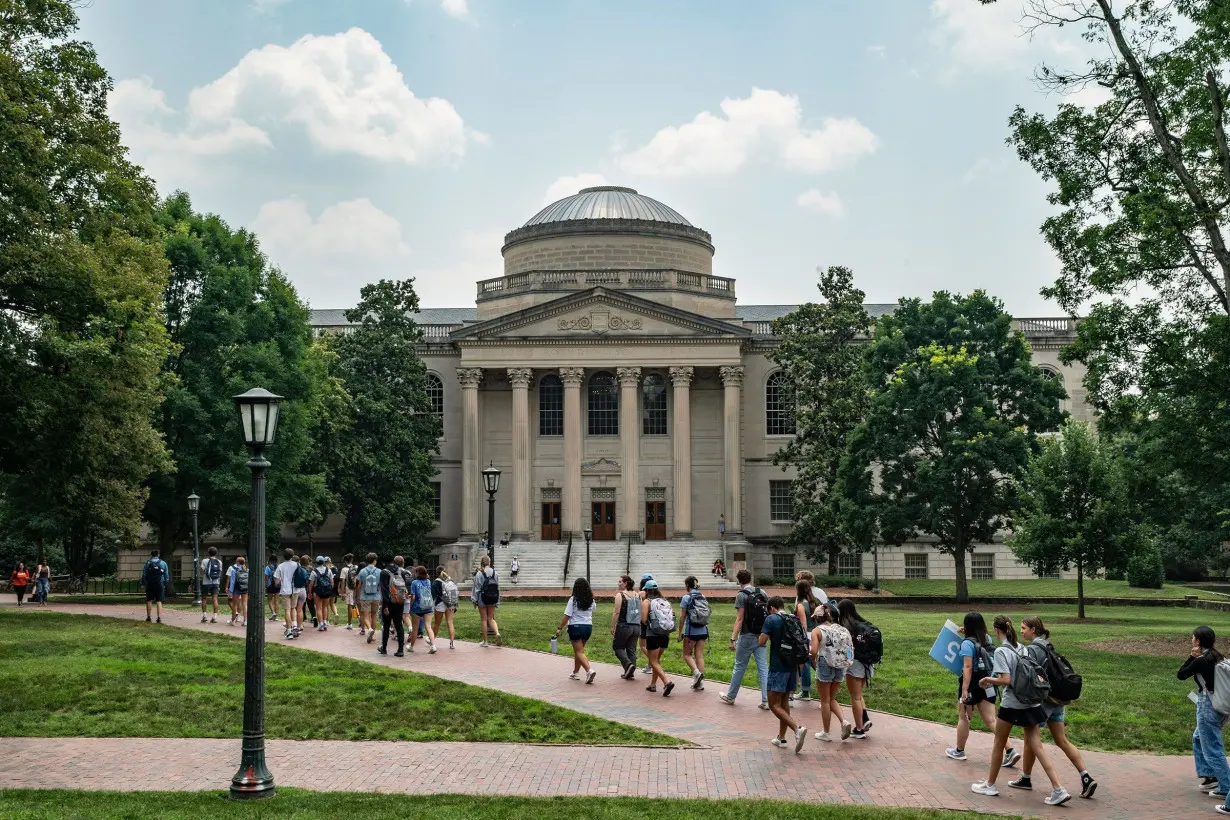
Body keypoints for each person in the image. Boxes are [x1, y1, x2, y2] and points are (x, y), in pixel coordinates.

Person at [970, 615, 1070, 806]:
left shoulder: (1001, 651)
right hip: (1030, 703)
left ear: (997, 630)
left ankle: (990, 785)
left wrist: (987, 680)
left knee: (998, 744)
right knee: (1037, 746)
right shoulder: (1022, 648)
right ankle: (1058, 789)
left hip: (1012, 704)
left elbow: (1006, 680)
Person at [1010, 616, 1097, 799]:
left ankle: (1027, 779)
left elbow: (1029, 675)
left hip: (1044, 701)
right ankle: (1086, 777)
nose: (1022, 631)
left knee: (1030, 739)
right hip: (1058, 700)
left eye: (1024, 628)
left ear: (1033, 629)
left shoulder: (1033, 649)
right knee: (1062, 740)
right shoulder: (1047, 645)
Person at [946, 611, 1020, 769]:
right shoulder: (987, 639)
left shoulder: (967, 644)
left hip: (972, 685)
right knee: (991, 721)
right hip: (988, 683)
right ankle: (1010, 750)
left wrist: (964, 690)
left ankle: (959, 751)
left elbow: (967, 667)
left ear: (967, 627)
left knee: (964, 717)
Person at [1180, 625, 1230, 813]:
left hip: (1208, 706)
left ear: (1198, 641)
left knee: (1212, 748)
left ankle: (1226, 786)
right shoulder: (1219, 656)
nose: (1191, 640)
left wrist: (1191, 657)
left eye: (1193, 638)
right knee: (1198, 738)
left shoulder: (1201, 660)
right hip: (1222, 706)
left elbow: (1181, 674)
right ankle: (1210, 776)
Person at [760, 596, 807, 753]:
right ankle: (781, 737)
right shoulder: (793, 618)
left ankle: (797, 729)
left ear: (772, 608)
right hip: (792, 666)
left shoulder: (771, 619)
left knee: (773, 704)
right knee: (785, 702)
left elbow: (761, 642)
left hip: (778, 666)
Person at [719, 569, 770, 710]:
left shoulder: (741, 595)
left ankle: (731, 696)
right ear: (750, 578)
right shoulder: (762, 592)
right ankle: (766, 700)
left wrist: (732, 638)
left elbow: (740, 619)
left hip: (747, 635)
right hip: (761, 635)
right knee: (763, 668)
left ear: (738, 581)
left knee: (739, 666)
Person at [810, 603, 853, 741]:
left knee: (825, 701)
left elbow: (814, 651)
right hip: (840, 665)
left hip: (824, 664)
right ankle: (843, 722)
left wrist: (812, 659)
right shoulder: (840, 628)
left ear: (817, 617)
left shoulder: (817, 631)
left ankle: (826, 732)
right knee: (831, 698)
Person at [836, 598, 877, 738]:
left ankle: (859, 729)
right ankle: (864, 720)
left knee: (855, 697)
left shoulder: (847, 628)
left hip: (855, 665)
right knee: (858, 695)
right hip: (868, 664)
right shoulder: (864, 624)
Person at [555, 577, 597, 683]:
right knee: (579, 652)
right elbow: (594, 609)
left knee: (579, 651)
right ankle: (575, 672)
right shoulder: (591, 599)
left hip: (576, 627)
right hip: (588, 627)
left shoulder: (573, 599)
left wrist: (559, 628)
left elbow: (567, 615)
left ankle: (589, 670)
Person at [640, 580, 674, 696]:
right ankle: (653, 685)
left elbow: (644, 620)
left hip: (653, 634)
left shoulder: (647, 602)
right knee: (657, 661)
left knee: (653, 661)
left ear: (647, 590)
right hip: (665, 634)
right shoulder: (665, 601)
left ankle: (666, 681)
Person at [678, 575, 708, 690]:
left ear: (687, 585)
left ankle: (696, 673)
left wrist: (680, 632)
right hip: (703, 629)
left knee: (687, 654)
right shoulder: (702, 596)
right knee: (699, 655)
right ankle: (699, 684)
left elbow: (682, 617)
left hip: (691, 631)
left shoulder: (686, 597)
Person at [793, 579, 821, 701]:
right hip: (819, 633)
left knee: (805, 663)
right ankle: (825, 691)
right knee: (818, 663)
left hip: (807, 636)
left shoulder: (801, 606)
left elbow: (803, 625)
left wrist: (800, 640)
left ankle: (805, 691)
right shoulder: (816, 602)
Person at [378, 555, 408, 657]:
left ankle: (384, 648)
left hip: (389, 602)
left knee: (386, 625)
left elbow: (384, 590)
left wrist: (385, 606)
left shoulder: (384, 572)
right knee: (399, 624)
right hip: (400, 601)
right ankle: (400, 650)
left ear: (383, 563)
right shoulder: (401, 571)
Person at [611, 574, 641, 679]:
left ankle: (628, 665)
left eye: (620, 581)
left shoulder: (620, 595)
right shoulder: (638, 595)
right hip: (636, 627)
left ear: (626, 583)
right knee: (631, 649)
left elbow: (616, 613)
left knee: (618, 648)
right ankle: (630, 673)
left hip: (624, 626)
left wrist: (612, 626)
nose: (618, 583)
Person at [472, 555, 501, 647]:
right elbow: (497, 586)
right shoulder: (495, 573)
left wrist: (474, 600)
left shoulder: (479, 573)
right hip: (493, 597)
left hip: (482, 597)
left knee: (484, 619)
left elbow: (476, 588)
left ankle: (485, 642)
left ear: (481, 562)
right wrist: (497, 600)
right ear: (489, 562)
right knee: (491, 618)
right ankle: (497, 633)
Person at [408, 565, 438, 654]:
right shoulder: (428, 581)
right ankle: (433, 645)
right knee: (428, 626)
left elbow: (413, 597)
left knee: (415, 628)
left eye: (415, 572)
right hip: (428, 606)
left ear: (418, 573)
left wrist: (410, 606)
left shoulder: (414, 583)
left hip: (417, 608)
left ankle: (411, 646)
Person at [275, 549, 301, 639]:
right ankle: (294, 625)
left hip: (285, 590)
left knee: (287, 610)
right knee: (294, 608)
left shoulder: (280, 566)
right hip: (296, 589)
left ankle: (289, 631)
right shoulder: (297, 564)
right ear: (292, 555)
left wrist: (278, 581)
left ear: (284, 556)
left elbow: (277, 581)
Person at [356, 553, 382, 643]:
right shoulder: (379, 571)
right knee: (374, 616)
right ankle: (372, 635)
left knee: (366, 616)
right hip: (376, 596)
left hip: (365, 596)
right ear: (374, 560)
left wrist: (359, 595)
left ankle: (369, 629)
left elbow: (359, 586)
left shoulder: (362, 571)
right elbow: (380, 585)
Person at [432, 567, 459, 649]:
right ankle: (452, 643)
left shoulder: (436, 582)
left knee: (437, 624)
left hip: (440, 603)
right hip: (451, 604)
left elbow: (432, 595)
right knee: (450, 622)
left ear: (437, 573)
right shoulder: (450, 581)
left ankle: (432, 641)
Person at [142, 549, 169, 623]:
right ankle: (159, 618)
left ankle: (148, 617)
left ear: (151, 555)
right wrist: (165, 584)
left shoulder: (148, 563)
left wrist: (144, 583)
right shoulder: (163, 563)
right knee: (159, 600)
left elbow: (144, 574)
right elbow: (166, 575)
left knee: (149, 600)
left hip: (150, 583)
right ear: (159, 555)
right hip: (160, 583)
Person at [198, 547, 223, 624]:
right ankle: (214, 617)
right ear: (216, 553)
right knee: (215, 599)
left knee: (204, 598)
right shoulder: (219, 562)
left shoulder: (204, 561)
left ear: (208, 553)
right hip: (215, 583)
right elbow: (220, 572)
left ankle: (204, 616)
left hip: (206, 582)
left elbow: (202, 570)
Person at [309, 556, 334, 631]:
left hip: (318, 592)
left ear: (316, 562)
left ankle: (321, 624)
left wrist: (310, 592)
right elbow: (332, 581)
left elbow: (311, 583)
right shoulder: (328, 570)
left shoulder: (314, 571)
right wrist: (330, 589)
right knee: (325, 607)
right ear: (323, 562)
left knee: (318, 608)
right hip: (327, 591)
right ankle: (325, 622)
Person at [637, 574, 654, 674]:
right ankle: (650, 666)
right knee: (650, 646)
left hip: (644, 621)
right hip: (654, 622)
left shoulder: (641, 593)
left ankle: (654, 661)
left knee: (643, 646)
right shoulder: (656, 594)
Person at [339, 553, 357, 630]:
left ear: (345, 561)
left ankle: (349, 624)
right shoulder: (356, 567)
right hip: (356, 589)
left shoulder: (344, 569)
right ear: (352, 560)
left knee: (350, 606)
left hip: (349, 589)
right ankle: (359, 619)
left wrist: (342, 593)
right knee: (354, 605)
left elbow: (343, 582)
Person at [230, 556, 249, 626]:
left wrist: (231, 591)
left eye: (236, 561)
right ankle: (245, 621)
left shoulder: (234, 570)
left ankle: (233, 620)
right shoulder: (247, 570)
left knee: (235, 604)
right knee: (245, 604)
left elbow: (232, 582)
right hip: (245, 589)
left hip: (236, 588)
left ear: (238, 562)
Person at [265, 556, 280, 621]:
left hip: (270, 585)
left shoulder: (268, 567)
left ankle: (273, 612)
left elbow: (266, 577)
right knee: (276, 600)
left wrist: (266, 584)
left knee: (270, 599)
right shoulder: (279, 567)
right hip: (278, 585)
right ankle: (276, 615)